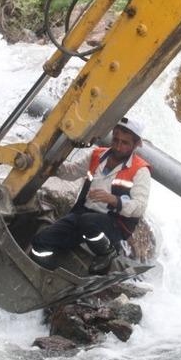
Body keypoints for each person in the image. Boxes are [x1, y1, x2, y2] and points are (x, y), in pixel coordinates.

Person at [29, 116, 151, 274]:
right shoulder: (96, 155)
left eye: (125, 143)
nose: (118, 146)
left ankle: (107, 252)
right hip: (82, 216)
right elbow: (71, 171)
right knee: (40, 241)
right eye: (116, 140)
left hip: (114, 225)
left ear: (136, 145)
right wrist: (49, 165)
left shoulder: (140, 170)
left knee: (89, 222)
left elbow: (140, 207)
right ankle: (49, 274)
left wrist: (115, 200)